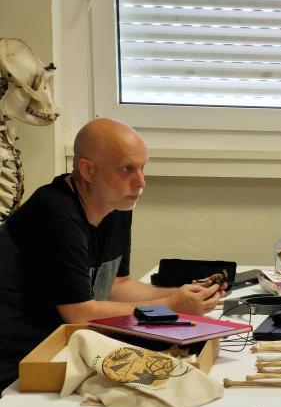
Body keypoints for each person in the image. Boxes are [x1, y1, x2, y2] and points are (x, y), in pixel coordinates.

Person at [0, 118, 224, 390]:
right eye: (127, 169)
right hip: (19, 364)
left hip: (66, 347)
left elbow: (117, 286)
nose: (140, 181)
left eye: (142, 168)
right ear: (87, 170)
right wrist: (172, 306)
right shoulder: (55, 212)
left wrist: (183, 294)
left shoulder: (117, 208)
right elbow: (80, 314)